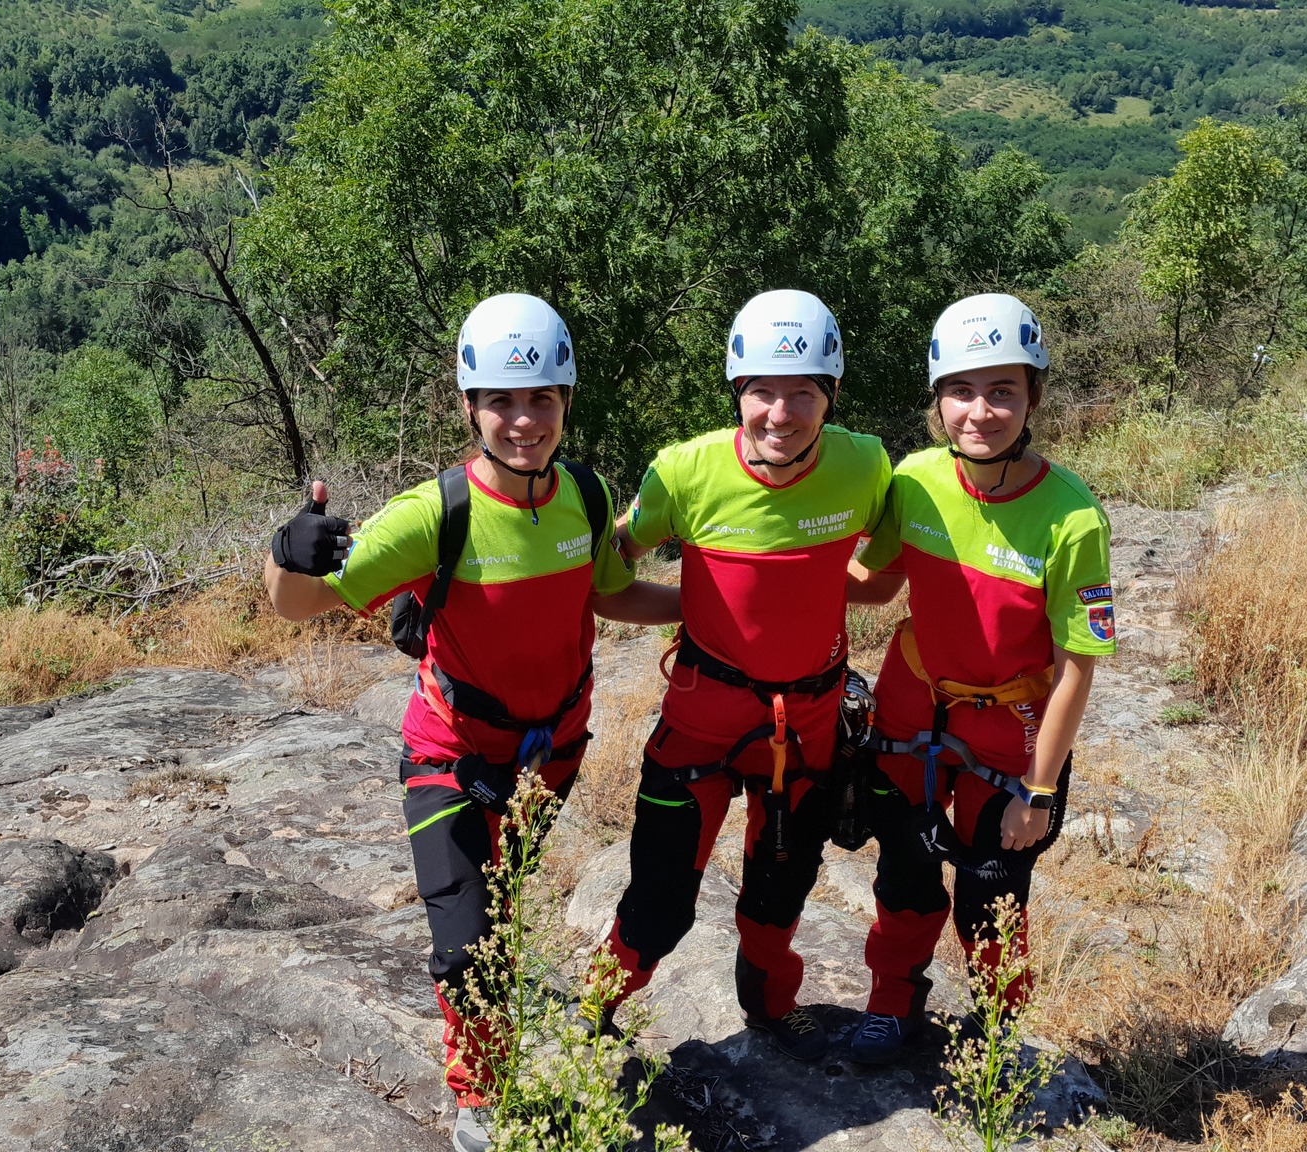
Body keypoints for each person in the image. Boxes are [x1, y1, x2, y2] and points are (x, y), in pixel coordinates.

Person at [263, 293, 678, 1152]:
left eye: (541, 401)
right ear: (468, 406)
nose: (522, 421)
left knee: (495, 908)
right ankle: (479, 1099)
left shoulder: (590, 499)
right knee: (466, 941)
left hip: (550, 755)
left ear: (566, 401)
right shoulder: (433, 515)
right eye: (499, 401)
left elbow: (606, 592)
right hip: (449, 752)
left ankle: (493, 1028)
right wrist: (284, 555)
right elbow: (296, 609)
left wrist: (696, 609)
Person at [594, 289, 892, 1062]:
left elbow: (880, 571)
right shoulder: (684, 472)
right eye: (762, 390)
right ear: (737, 392)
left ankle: (769, 1007)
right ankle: (594, 1014)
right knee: (659, 898)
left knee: (779, 891)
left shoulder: (865, 463)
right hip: (703, 714)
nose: (780, 413)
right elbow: (608, 565)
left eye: (803, 393)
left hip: (811, 719)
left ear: (831, 395)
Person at [843, 292, 1114, 1065]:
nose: (980, 411)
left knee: (991, 891)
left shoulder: (1073, 517)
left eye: (1003, 390)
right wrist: (780, 561)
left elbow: (1075, 671)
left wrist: (1039, 790)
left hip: (1011, 730)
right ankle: (893, 1001)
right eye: (961, 390)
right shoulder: (918, 481)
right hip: (911, 710)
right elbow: (875, 581)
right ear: (937, 401)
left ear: (1032, 398)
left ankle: (995, 1027)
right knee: (904, 870)